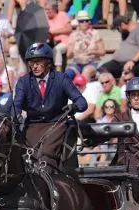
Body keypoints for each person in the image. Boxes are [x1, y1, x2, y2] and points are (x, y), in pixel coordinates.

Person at [13, 42, 87, 172]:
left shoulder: (61, 79)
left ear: (48, 62)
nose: (34, 66)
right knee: (25, 159)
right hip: (32, 126)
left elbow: (82, 102)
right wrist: (16, 114)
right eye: (31, 63)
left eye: (38, 62)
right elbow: (16, 104)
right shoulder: (23, 81)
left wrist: (73, 107)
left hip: (56, 125)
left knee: (44, 157)